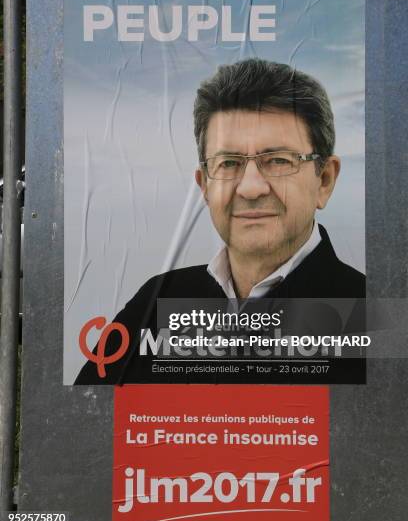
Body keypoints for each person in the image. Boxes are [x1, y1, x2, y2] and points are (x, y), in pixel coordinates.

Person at [75, 59, 365, 385]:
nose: (251, 187)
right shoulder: (158, 300)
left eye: (279, 161)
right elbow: (85, 422)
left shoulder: (367, 316)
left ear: (324, 180)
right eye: (229, 162)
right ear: (205, 186)